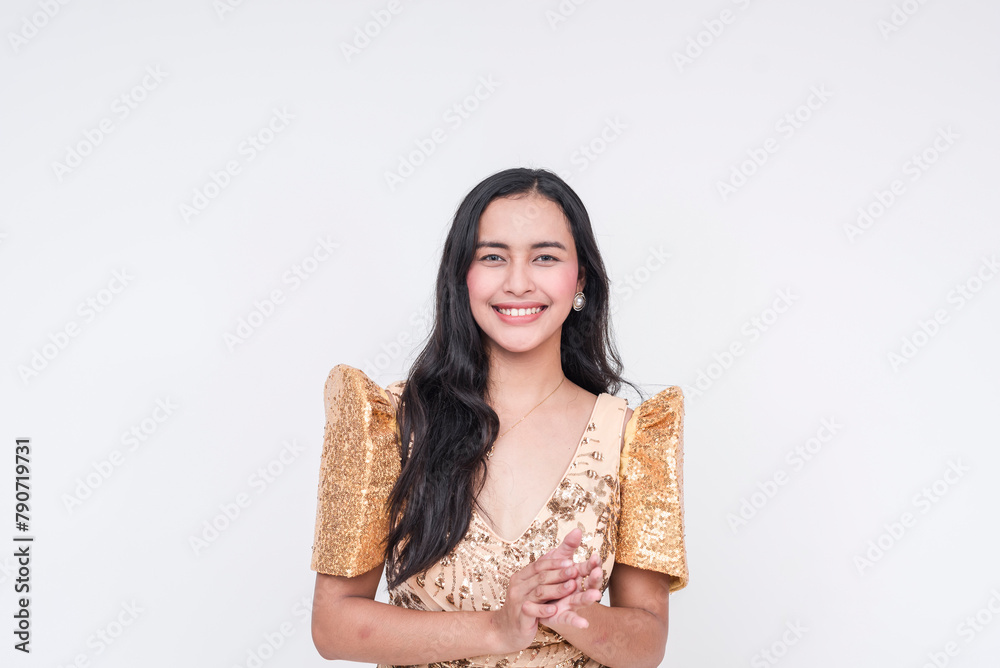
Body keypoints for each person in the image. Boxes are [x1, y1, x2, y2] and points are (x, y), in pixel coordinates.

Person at [309, 167, 688, 667]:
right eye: (493, 257)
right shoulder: (388, 422)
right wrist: (498, 627)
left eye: (545, 257)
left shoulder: (631, 437)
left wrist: (559, 608)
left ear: (581, 280)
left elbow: (647, 643)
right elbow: (334, 627)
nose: (517, 282)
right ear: (461, 278)